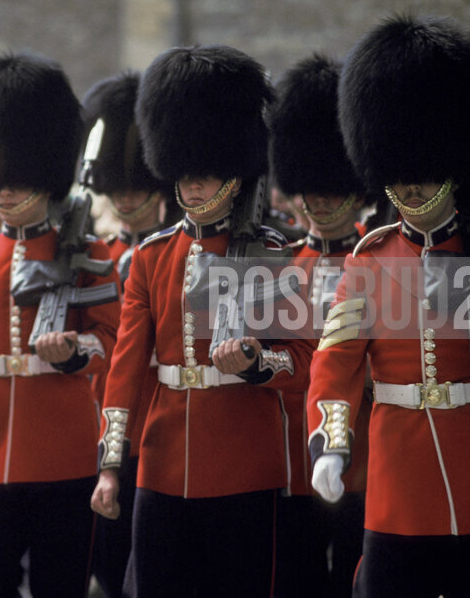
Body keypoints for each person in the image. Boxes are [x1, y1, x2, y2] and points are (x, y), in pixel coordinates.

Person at [90, 45, 312, 597]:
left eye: (207, 176)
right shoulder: (152, 257)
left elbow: (304, 359)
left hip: (244, 463)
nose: (192, 187)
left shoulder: (269, 252)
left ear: (235, 177)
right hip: (163, 465)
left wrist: (261, 363)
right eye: (185, 175)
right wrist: (112, 463)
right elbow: (127, 368)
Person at [308, 14, 470, 597]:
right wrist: (331, 441)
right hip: (398, 487)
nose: (411, 188)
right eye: (400, 175)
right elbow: (335, 362)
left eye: (422, 174)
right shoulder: (369, 259)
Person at [0, 52, 121, 598]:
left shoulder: (91, 254)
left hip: (63, 457)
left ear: (46, 178)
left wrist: (75, 352)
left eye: (17, 180)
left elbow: (111, 342)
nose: (3, 191)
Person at [266, 53, 369, 597]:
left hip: (368, 459)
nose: (322, 201)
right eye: (312, 188)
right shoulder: (278, 266)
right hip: (290, 457)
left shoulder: (378, 261)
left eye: (336, 187)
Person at [80, 70, 172, 598]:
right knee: (108, 564)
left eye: (136, 185)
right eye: (118, 187)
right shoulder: (98, 255)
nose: (126, 196)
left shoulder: (169, 253)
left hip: (159, 423)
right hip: (105, 423)